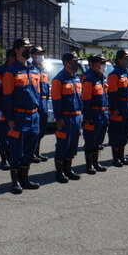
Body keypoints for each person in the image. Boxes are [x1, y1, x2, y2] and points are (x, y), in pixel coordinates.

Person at [3, 37, 42, 194]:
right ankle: (15, 182)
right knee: (17, 149)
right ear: (18, 50)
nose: (28, 49)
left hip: (34, 116)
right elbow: (7, 97)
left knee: (30, 149)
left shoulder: (34, 70)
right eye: (26, 47)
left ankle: (25, 178)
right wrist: (10, 119)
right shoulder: (11, 72)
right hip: (19, 116)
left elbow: (38, 92)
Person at [50, 51, 83, 183]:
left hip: (76, 117)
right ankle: (59, 172)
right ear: (67, 63)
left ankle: (68, 169)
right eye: (74, 61)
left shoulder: (76, 77)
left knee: (73, 144)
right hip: (65, 117)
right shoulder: (59, 79)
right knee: (63, 144)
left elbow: (79, 99)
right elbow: (56, 101)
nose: (77, 64)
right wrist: (59, 119)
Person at [81, 54, 110, 174]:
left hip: (103, 113)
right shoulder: (89, 79)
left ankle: (95, 162)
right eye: (101, 63)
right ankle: (89, 165)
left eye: (104, 62)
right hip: (93, 114)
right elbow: (86, 100)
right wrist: (87, 117)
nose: (104, 65)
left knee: (98, 140)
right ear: (93, 65)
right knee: (90, 140)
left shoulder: (101, 77)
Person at [107, 48, 128, 167]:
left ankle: (122, 157)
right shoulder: (114, 74)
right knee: (116, 132)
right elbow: (112, 94)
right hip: (119, 105)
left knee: (125, 132)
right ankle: (115, 158)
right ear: (119, 59)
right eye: (126, 58)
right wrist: (114, 108)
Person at [0, 48, 16, 170]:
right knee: (3, 135)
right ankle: (4, 159)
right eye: (14, 56)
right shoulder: (0, 71)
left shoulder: (17, 69)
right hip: (2, 107)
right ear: (9, 57)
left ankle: (12, 157)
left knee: (13, 134)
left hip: (15, 108)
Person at [30, 45, 50, 163]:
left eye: (42, 53)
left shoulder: (43, 68)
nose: (41, 56)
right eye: (38, 53)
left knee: (42, 129)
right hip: (36, 101)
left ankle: (37, 152)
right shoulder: (31, 68)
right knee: (34, 130)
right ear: (32, 55)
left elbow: (46, 86)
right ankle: (31, 153)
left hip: (44, 100)